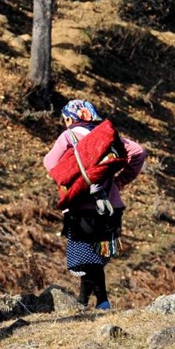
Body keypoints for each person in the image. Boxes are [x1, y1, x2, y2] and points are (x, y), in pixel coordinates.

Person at [43, 99, 146, 310]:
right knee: (95, 256)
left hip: (82, 207)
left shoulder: (69, 136)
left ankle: (103, 302)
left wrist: (73, 175)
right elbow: (138, 152)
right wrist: (119, 181)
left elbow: (51, 164)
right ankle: (83, 302)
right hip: (111, 207)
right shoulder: (106, 136)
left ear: (70, 118)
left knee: (84, 258)